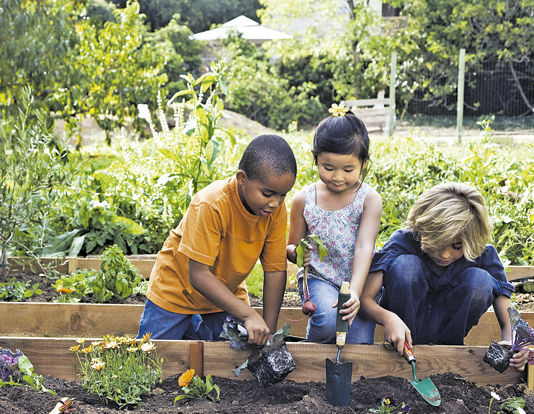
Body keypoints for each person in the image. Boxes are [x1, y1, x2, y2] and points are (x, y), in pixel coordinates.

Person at [137, 134, 297, 346]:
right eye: (268, 193)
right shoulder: (211, 204)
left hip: (224, 294)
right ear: (242, 179)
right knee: (151, 357)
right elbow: (199, 275)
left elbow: (275, 270)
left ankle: (192, 326)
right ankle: (188, 322)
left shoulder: (273, 209)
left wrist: (268, 333)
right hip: (178, 289)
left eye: (283, 195)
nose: (275, 203)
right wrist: (249, 315)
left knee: (243, 347)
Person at [359, 182, 528, 370]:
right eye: (438, 244)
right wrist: (387, 318)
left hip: (451, 346)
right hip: (402, 344)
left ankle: (448, 353)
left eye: (457, 246)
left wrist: (515, 346)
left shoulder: (482, 254)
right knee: (405, 266)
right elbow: (364, 299)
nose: (445, 254)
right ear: (422, 231)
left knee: (480, 280)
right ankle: (405, 348)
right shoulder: (404, 241)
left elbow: (509, 319)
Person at [286, 105, 382, 343]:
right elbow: (290, 247)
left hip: (358, 279)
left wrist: (356, 293)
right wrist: (298, 254)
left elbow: (364, 247)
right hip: (321, 277)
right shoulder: (304, 199)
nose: (337, 177)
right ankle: (311, 362)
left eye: (348, 169)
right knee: (328, 321)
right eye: (328, 168)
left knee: (358, 345)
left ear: (363, 162)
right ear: (315, 157)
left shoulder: (368, 199)